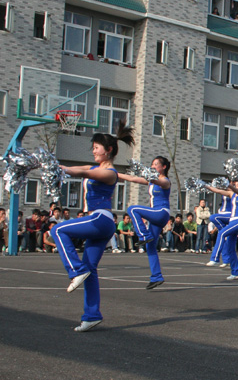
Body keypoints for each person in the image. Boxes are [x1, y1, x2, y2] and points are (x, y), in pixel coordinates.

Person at [50, 120, 134, 332]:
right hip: (99, 223)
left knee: (57, 229)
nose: (93, 151)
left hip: (100, 219)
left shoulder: (110, 173)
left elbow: (82, 173)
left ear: (109, 150)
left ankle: (75, 269)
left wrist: (66, 170)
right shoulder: (94, 167)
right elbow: (75, 168)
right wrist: (50, 166)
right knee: (90, 269)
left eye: (96, 147)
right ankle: (92, 315)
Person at [119, 156, 171, 289]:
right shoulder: (151, 181)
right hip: (155, 216)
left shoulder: (165, 180)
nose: (153, 166)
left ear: (164, 167)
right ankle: (156, 277)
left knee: (132, 209)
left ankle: (143, 235)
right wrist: (115, 174)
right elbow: (132, 178)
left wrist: (147, 175)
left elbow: (159, 182)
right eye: (152, 164)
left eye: (156, 164)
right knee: (150, 246)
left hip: (161, 212)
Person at [205, 180, 238, 280]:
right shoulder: (231, 193)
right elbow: (217, 191)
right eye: (236, 182)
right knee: (230, 248)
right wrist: (205, 185)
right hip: (232, 221)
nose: (237, 184)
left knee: (221, 233)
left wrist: (228, 184)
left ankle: (215, 258)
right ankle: (236, 272)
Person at [206, 193, 233, 267]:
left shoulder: (234, 192)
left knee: (213, 217)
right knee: (222, 239)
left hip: (231, 215)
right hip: (223, 218)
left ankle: (216, 259)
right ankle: (226, 260)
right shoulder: (220, 210)